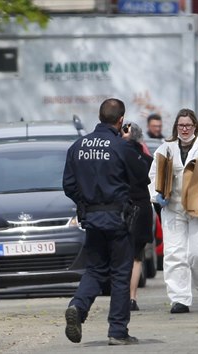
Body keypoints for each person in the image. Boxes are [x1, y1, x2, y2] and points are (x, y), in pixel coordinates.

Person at [63, 98, 148, 346]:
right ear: (121, 120)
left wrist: (86, 203)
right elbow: (142, 177)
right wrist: (133, 144)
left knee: (95, 270)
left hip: (92, 219)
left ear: (100, 117)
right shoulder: (122, 147)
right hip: (119, 220)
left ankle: (78, 307)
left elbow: (68, 185)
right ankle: (117, 331)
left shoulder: (78, 146)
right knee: (121, 275)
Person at [149, 108, 198, 314]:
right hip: (173, 207)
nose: (184, 129)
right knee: (174, 254)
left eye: (188, 126)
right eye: (181, 125)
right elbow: (154, 173)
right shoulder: (166, 148)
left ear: (195, 126)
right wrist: (157, 195)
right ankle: (179, 299)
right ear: (176, 126)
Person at [121, 122, 153, 312]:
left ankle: (122, 296)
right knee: (137, 257)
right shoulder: (145, 157)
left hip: (125, 208)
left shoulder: (119, 153)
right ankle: (132, 298)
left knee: (122, 254)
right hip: (143, 207)